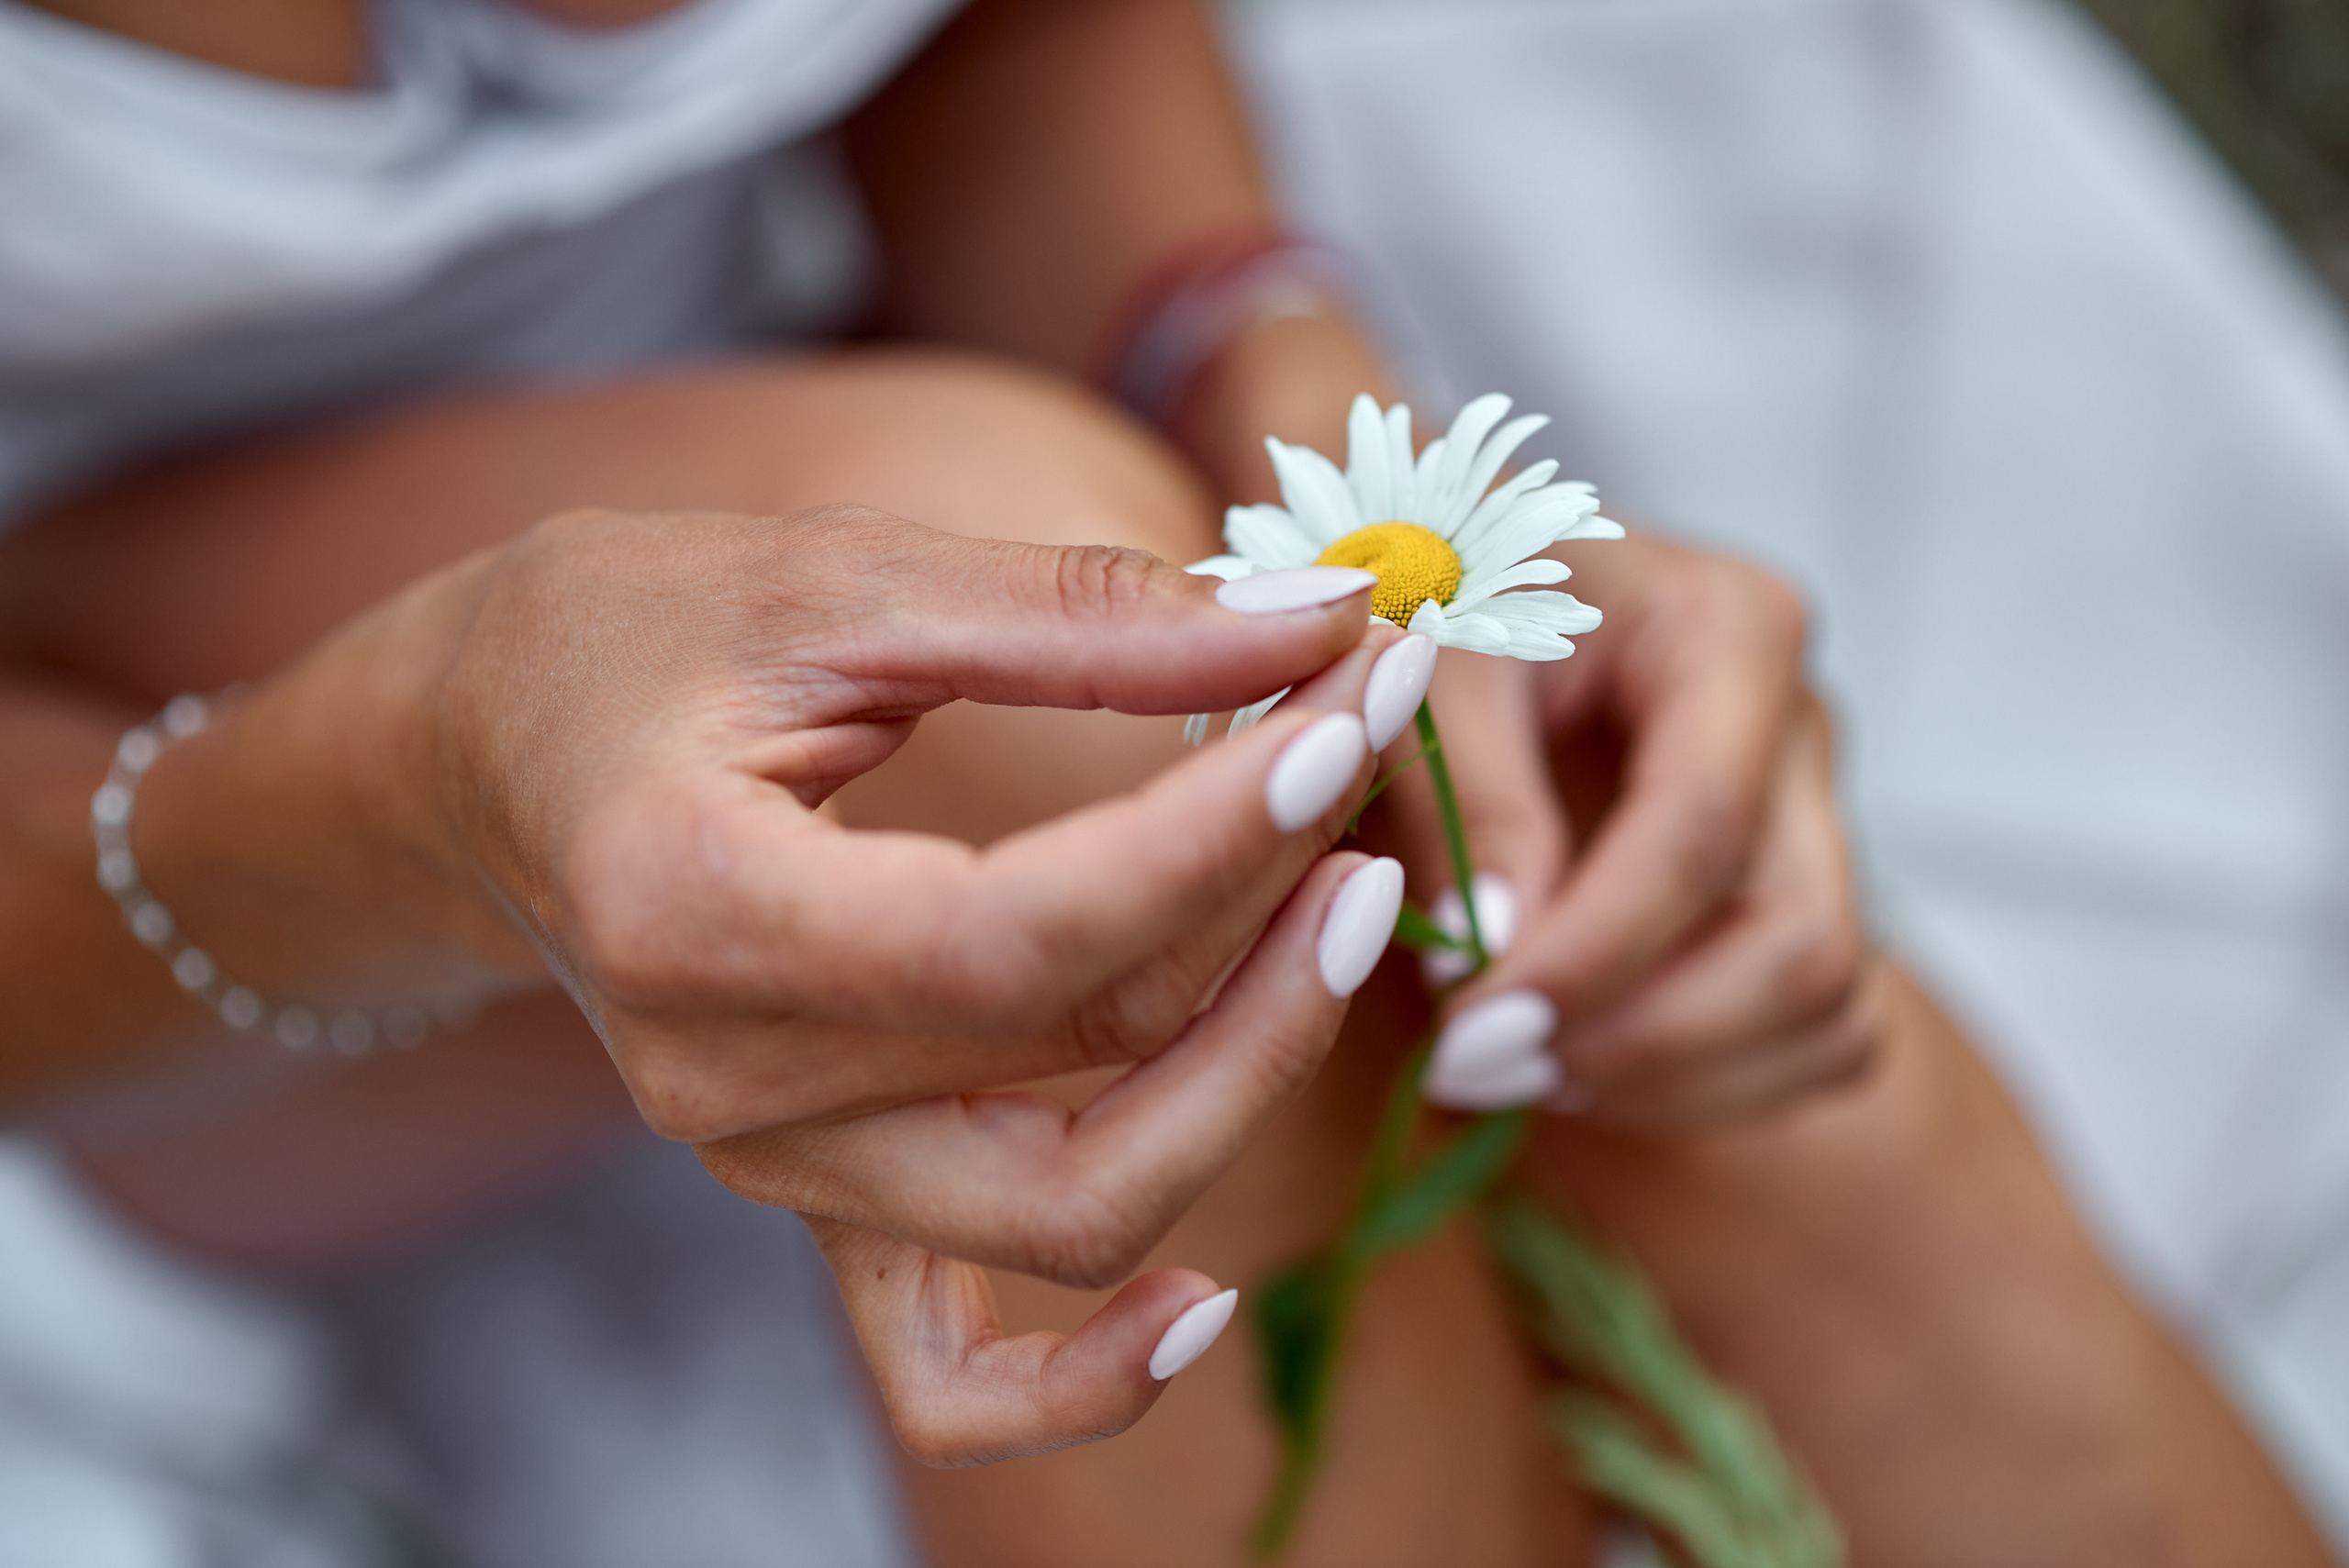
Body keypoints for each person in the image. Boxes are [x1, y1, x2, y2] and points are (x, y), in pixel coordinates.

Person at [0, 0, 2328, 1563]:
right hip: (116, 827)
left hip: (808, 364)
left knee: (1639, 970)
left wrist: (1259, 373)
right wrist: (426, 787)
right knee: (1067, 730)